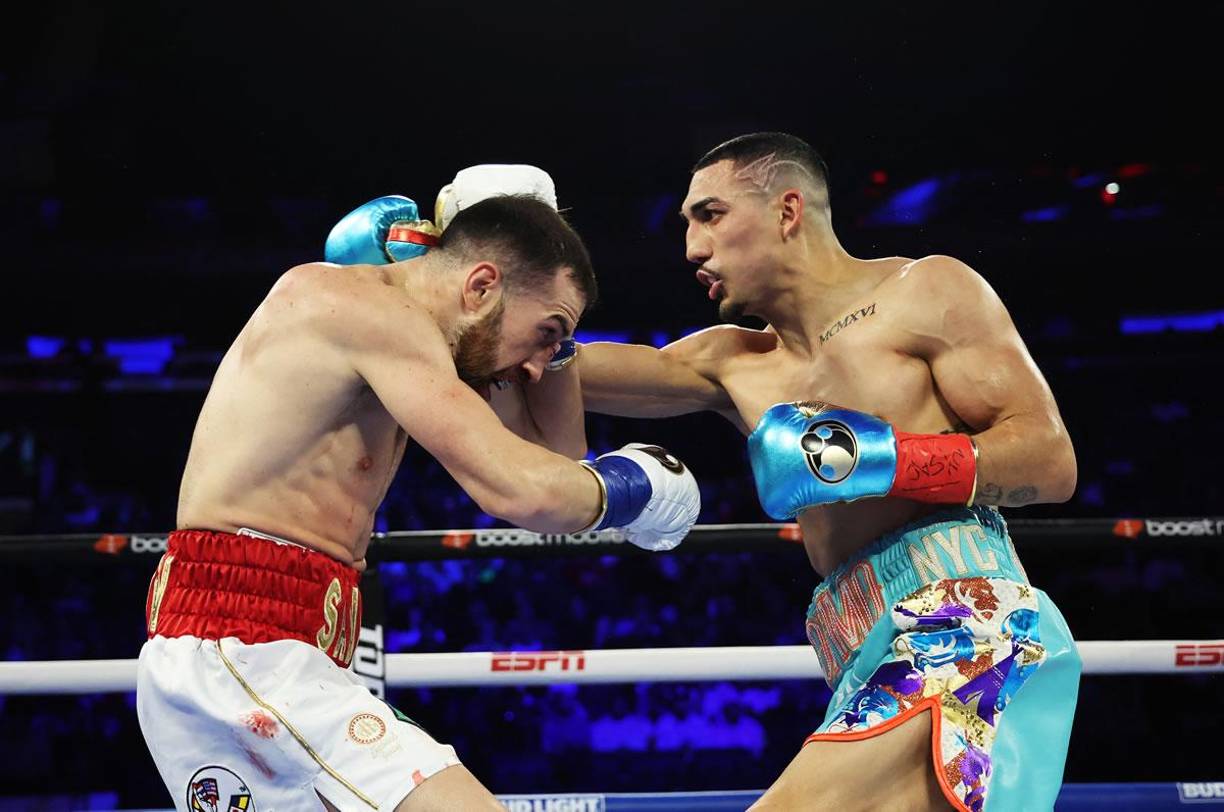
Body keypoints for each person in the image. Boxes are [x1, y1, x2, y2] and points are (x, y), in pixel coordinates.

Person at [137, 187, 701, 812]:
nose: (540, 366)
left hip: (278, 648)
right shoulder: (365, 310)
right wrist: (636, 485)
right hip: (245, 649)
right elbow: (520, 489)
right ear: (482, 285)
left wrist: (554, 347)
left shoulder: (408, 334)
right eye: (547, 333)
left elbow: (554, 461)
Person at [577, 133, 1081, 811]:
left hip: (967, 623)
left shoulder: (924, 290)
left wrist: (882, 459)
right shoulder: (733, 364)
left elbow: (1050, 462)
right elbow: (549, 360)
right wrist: (452, 282)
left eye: (711, 214)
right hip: (857, 654)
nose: (692, 248)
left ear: (788, 211)